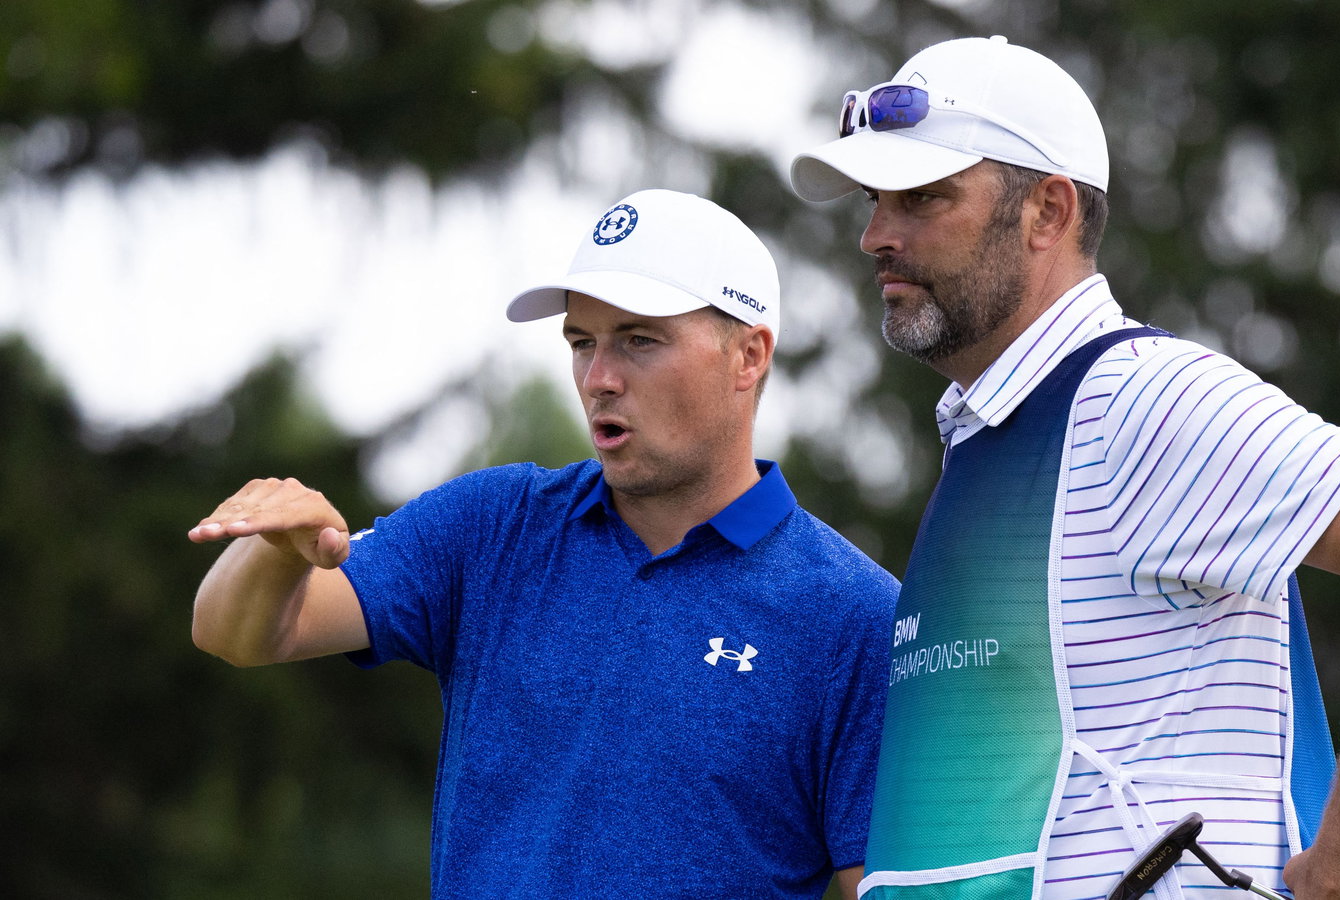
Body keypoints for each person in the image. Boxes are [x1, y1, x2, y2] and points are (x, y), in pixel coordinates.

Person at [790, 36, 1340, 900]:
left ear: (1047, 213)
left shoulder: (1131, 399)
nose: (875, 236)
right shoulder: (992, 430)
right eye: (874, 202)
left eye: (922, 199)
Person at [188, 188, 898, 900]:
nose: (599, 380)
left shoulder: (856, 617)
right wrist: (276, 547)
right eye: (582, 343)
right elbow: (237, 633)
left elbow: (891, 886)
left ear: (747, 357)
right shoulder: (492, 526)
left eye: (638, 340)